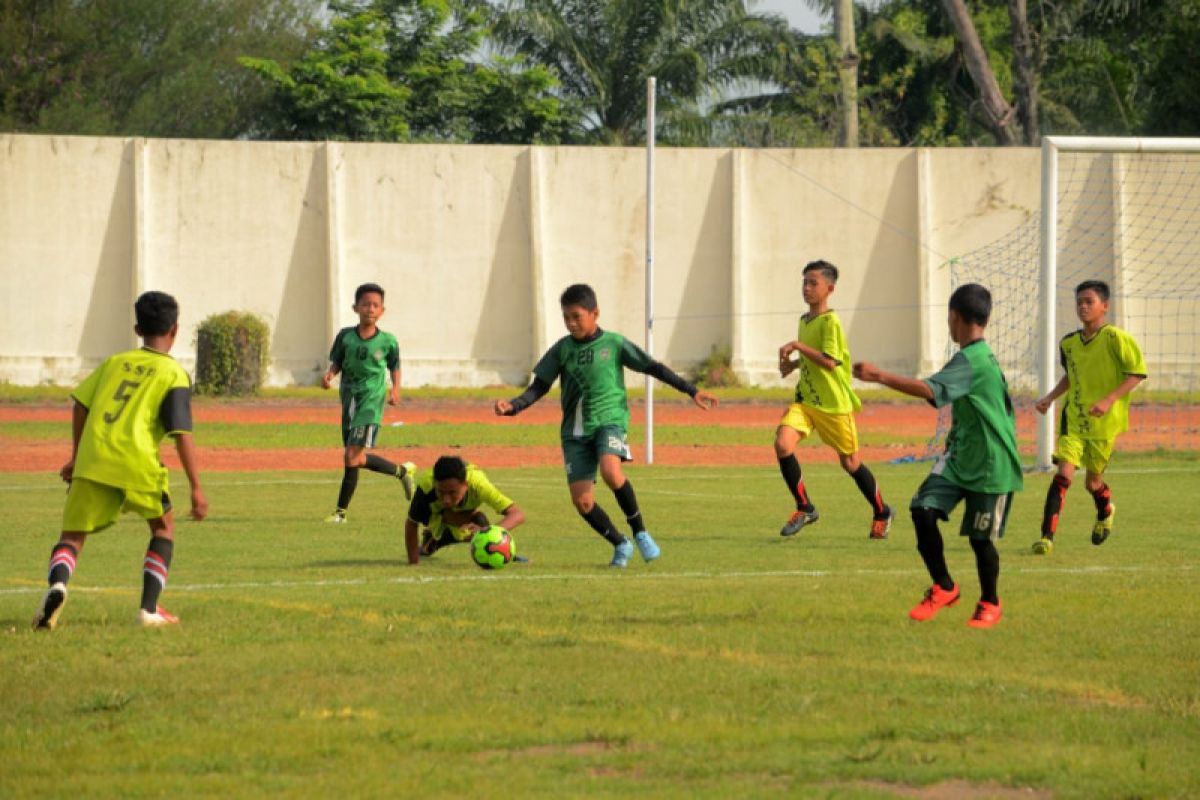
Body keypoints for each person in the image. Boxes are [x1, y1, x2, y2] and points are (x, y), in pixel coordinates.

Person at [494, 283, 719, 567]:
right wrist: (513, 406)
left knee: (611, 471)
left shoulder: (613, 344)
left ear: (595, 313)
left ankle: (641, 533)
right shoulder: (562, 350)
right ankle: (620, 543)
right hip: (575, 433)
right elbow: (539, 386)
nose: (571, 323)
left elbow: (653, 367)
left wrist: (691, 390)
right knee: (583, 502)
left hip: (609, 421)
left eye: (577, 316)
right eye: (566, 317)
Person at [32, 291, 208, 630]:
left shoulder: (114, 363)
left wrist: (76, 457)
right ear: (175, 329)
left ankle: (58, 585)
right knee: (163, 528)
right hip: (138, 462)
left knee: (72, 536)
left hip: (94, 459)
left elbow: (80, 405)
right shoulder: (173, 373)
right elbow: (181, 432)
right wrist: (197, 488)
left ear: (137, 328)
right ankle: (149, 609)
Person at [853, 283, 1023, 629]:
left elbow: (930, 390)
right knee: (923, 509)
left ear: (953, 316)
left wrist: (878, 375)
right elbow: (938, 396)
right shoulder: (970, 357)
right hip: (960, 457)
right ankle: (945, 587)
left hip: (992, 464)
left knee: (980, 541)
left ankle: (990, 602)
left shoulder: (973, 359)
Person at [775, 260, 893, 540]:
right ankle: (805, 507)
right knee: (782, 444)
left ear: (830, 288)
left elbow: (830, 362)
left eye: (813, 283)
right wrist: (792, 366)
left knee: (850, 463)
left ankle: (881, 511)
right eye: (804, 282)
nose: (806, 288)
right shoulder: (805, 320)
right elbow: (811, 358)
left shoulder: (832, 322)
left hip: (834, 406)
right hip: (806, 402)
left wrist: (798, 346)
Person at [1031, 280, 1147, 554]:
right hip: (1074, 419)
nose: (1083, 306)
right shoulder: (1069, 343)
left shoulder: (1115, 338)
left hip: (1104, 424)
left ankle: (1105, 512)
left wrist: (1108, 400)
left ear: (1104, 306)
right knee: (1064, 474)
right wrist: (1050, 397)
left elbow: (1137, 373)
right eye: (1079, 302)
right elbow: (1071, 376)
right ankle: (1047, 537)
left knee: (1093, 483)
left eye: (1089, 302)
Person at [321, 282, 415, 523]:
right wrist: (331, 374)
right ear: (355, 308)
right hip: (349, 399)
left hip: (371, 402)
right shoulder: (345, 337)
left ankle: (340, 513)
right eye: (365, 304)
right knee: (357, 458)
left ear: (382, 311)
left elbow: (395, 366)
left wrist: (396, 390)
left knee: (351, 456)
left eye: (375, 305)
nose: (370, 309)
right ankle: (402, 472)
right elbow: (338, 361)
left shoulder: (387, 341)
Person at [404, 455, 526, 564]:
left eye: (452, 492)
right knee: (475, 524)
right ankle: (435, 537)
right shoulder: (426, 487)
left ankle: (504, 553)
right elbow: (411, 523)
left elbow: (516, 514)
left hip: (466, 512)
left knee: (480, 522)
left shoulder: (479, 484)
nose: (446, 499)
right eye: (441, 492)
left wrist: (487, 531)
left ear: (466, 485)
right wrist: (413, 563)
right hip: (435, 513)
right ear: (435, 484)